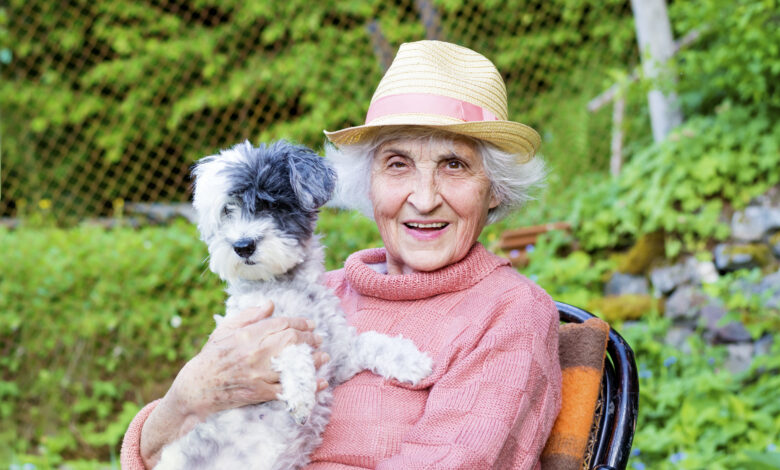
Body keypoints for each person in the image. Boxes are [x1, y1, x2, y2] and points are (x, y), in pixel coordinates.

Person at [122, 40, 562, 469]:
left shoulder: (510, 314)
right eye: (397, 164)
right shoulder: (313, 292)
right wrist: (183, 400)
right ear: (366, 183)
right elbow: (160, 453)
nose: (425, 198)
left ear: (494, 192)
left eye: (454, 165)